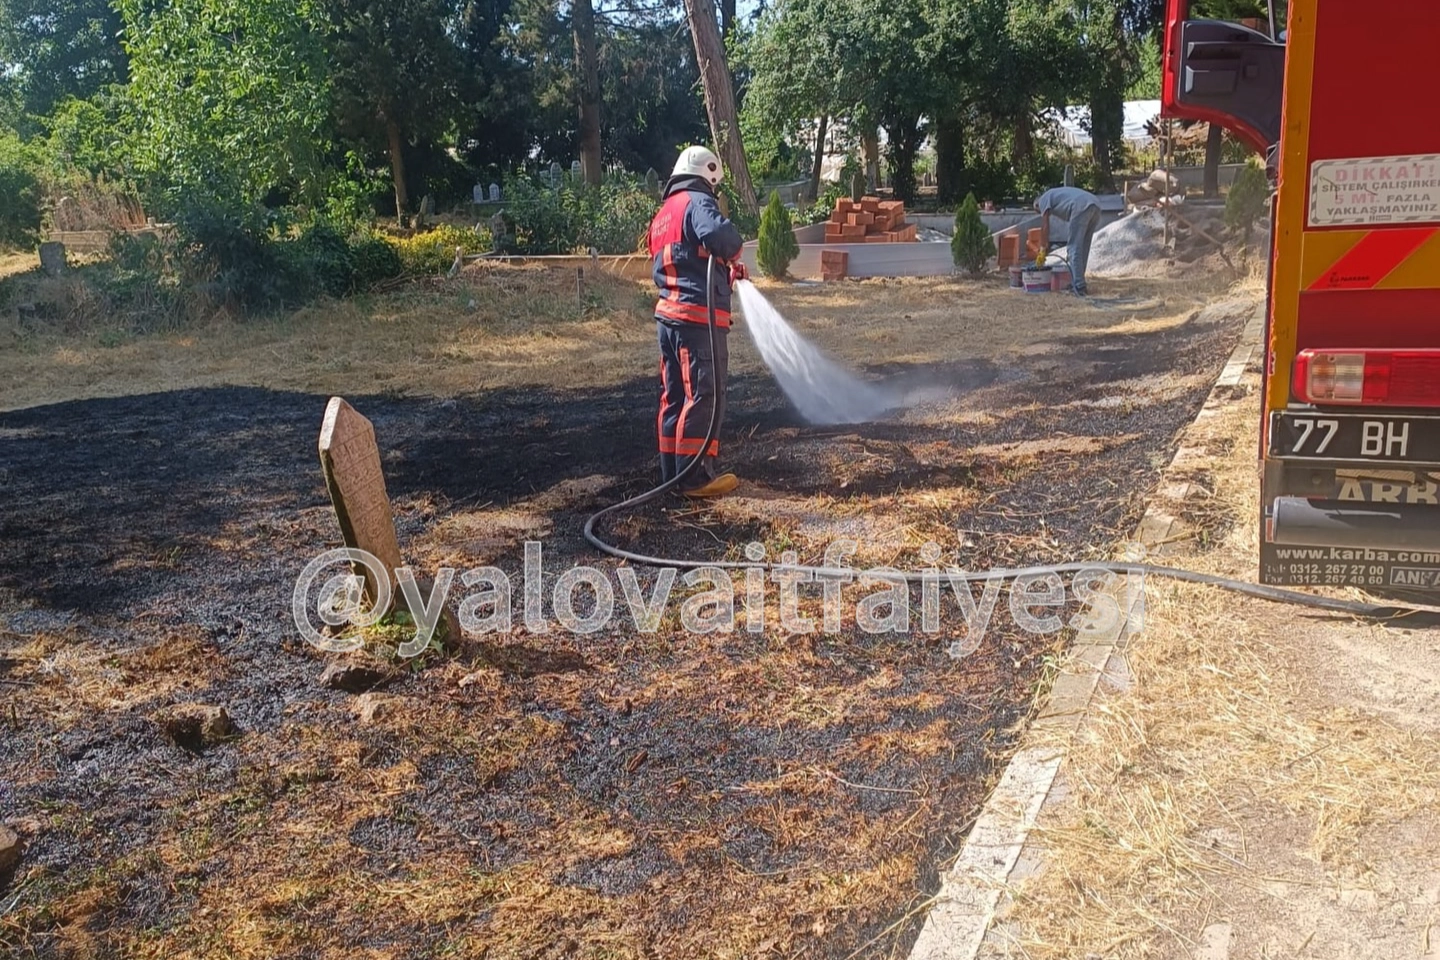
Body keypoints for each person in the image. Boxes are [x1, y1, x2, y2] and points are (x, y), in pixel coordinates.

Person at [646, 145, 748, 498]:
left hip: (669, 320)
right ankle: (694, 479)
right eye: (713, 184)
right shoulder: (697, 201)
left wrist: (723, 270)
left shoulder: (664, 214)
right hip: (696, 320)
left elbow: (685, 259)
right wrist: (732, 252)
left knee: (673, 396)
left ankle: (672, 474)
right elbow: (723, 238)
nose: (713, 192)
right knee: (704, 395)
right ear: (707, 175)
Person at [1035, 186, 1103, 296]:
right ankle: (1077, 281)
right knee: (1083, 248)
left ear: (1037, 205)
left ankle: (1079, 286)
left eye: (1039, 211)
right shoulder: (1056, 195)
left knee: (1073, 248)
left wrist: (1042, 248)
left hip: (1080, 207)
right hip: (1095, 205)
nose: (1041, 213)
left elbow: (1045, 226)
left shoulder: (1043, 199)